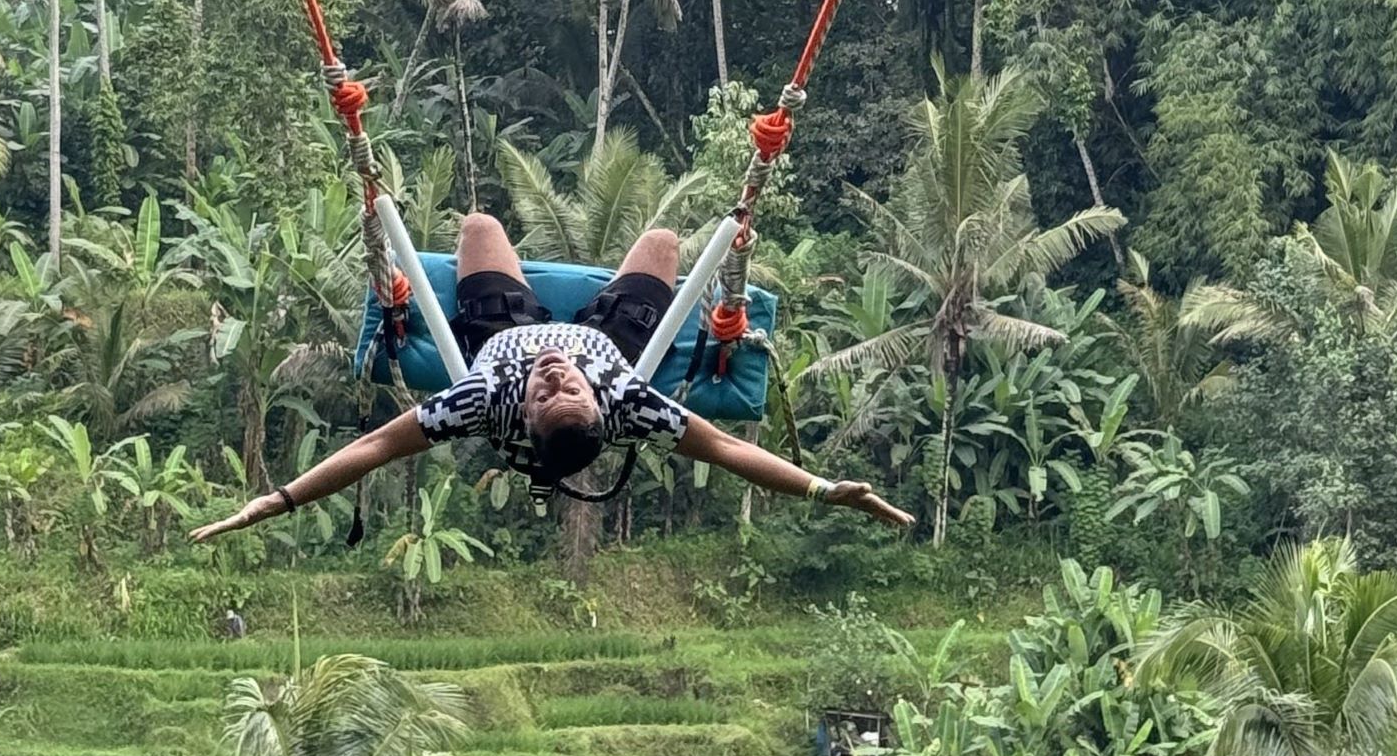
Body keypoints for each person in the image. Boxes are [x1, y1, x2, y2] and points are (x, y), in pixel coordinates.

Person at [194, 213, 911, 540]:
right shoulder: (628, 399)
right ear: (600, 408)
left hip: (498, 333)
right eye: (564, 388)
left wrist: (275, 500)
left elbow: (374, 447)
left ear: (524, 417)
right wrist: (823, 488)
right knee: (663, 241)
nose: (553, 375)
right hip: (614, 340)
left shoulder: (482, 396)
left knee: (478, 228)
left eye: (546, 392)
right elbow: (729, 450)